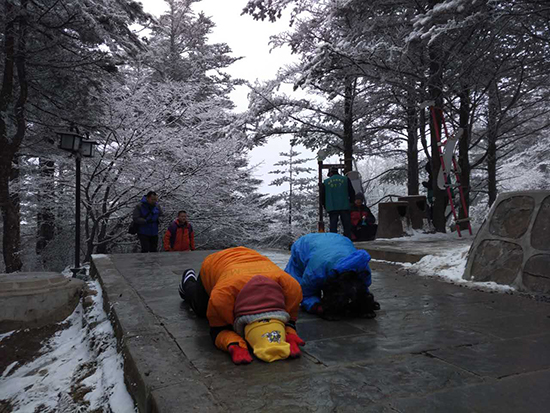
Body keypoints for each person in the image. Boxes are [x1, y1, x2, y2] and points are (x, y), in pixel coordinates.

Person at [178, 247, 305, 365]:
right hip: (216, 263)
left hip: (250, 259)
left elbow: (290, 320)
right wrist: (233, 344)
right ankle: (188, 281)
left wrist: (289, 332)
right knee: (201, 310)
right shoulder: (221, 297)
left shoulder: (292, 289)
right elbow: (217, 329)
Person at [285, 233, 380, 320]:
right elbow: (305, 293)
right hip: (305, 245)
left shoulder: (363, 269)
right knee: (294, 287)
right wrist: (317, 307)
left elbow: (362, 289)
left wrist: (363, 302)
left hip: (337, 242)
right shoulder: (316, 271)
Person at [320, 166, 355, 238]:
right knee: (346, 225)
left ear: (331, 173)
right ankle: (348, 240)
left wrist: (324, 205)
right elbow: (352, 192)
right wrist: (351, 202)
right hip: (344, 205)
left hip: (332, 206)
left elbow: (322, 195)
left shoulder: (326, 182)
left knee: (333, 225)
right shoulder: (345, 179)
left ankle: (334, 240)